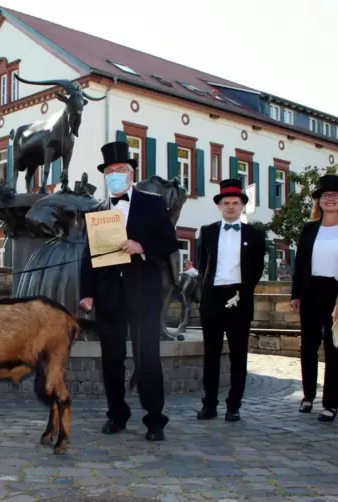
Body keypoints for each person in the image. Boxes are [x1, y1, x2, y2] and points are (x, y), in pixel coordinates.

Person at [79, 141, 178, 441]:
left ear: (132, 173)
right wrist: (87, 292)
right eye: (110, 171)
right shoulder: (98, 209)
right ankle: (117, 415)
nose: (115, 174)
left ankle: (155, 420)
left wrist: (142, 246)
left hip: (143, 294)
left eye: (121, 170)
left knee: (147, 357)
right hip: (109, 295)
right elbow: (88, 255)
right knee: (112, 359)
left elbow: (170, 243)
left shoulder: (152, 203)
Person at [195, 179, 266, 422]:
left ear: (242, 206)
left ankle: (234, 405)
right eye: (226, 202)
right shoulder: (207, 231)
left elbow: (256, 269)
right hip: (213, 296)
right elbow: (203, 265)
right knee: (211, 354)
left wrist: (241, 292)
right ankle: (209, 405)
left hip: (240, 297)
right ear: (219, 206)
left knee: (239, 354)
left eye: (236, 202)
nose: (231, 207)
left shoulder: (255, 235)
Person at [290, 174, 338, 422]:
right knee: (308, 345)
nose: (329, 199)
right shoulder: (309, 229)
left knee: (334, 348)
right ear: (318, 201)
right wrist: (296, 294)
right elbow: (300, 265)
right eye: (325, 196)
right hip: (311, 291)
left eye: (334, 195)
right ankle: (308, 395)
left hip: (337, 293)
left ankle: (330, 402)